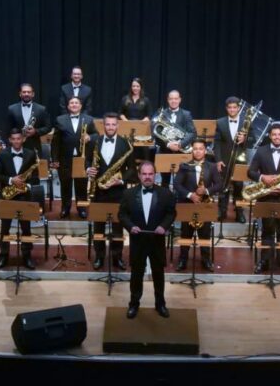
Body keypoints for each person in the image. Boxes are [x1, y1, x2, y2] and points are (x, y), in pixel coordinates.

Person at [119, 160, 177, 319]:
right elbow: (122, 215)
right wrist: (130, 226)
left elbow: (171, 213)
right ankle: (133, 304)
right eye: (144, 174)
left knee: (158, 274)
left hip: (156, 240)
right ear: (139, 175)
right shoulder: (128, 194)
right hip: (138, 241)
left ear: (155, 175)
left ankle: (160, 304)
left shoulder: (165, 193)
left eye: (150, 174)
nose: (147, 177)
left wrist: (164, 226)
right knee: (136, 274)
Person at [247, 124, 280, 274]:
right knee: (267, 231)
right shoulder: (261, 151)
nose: (277, 137)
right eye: (274, 134)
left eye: (279, 134)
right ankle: (264, 261)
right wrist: (262, 177)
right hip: (266, 197)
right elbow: (250, 172)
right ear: (270, 136)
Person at [85, 112, 135, 271]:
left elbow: (131, 169)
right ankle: (99, 256)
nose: (111, 127)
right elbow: (87, 160)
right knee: (98, 227)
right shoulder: (95, 141)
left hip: (118, 191)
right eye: (108, 124)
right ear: (103, 125)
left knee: (118, 227)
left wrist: (121, 180)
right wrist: (88, 169)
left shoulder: (126, 143)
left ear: (118, 125)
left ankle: (117, 257)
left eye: (114, 124)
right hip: (98, 191)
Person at [0, 129, 40, 269]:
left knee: (26, 228)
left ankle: (27, 256)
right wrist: (11, 180)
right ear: (10, 140)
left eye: (19, 138)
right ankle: (3, 255)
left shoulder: (30, 154)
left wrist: (26, 185)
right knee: (5, 228)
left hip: (24, 196)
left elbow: (35, 177)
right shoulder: (2, 154)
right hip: (7, 195)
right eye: (14, 139)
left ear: (23, 139)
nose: (16, 141)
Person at [173, 139, 224, 271]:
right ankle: (183, 259)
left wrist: (206, 190)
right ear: (192, 150)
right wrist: (190, 195)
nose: (198, 151)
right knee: (186, 233)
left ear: (205, 151)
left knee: (205, 234)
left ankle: (206, 259)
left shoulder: (212, 166)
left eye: (201, 149)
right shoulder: (185, 166)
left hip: (205, 205)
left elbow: (219, 184)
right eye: (195, 149)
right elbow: (177, 184)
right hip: (188, 205)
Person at [51, 96, 96, 219]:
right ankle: (65, 208)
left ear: (81, 106)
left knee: (81, 185)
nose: (74, 105)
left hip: (82, 159)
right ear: (68, 106)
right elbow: (55, 142)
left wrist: (90, 137)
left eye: (76, 103)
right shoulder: (60, 119)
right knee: (65, 185)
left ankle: (82, 208)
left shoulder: (89, 119)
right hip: (64, 159)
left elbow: (96, 135)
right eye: (71, 103)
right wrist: (55, 159)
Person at [213, 97, 248, 223]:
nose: (232, 110)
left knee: (239, 187)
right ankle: (222, 211)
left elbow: (254, 139)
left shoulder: (246, 121)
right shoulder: (220, 122)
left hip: (240, 161)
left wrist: (245, 139)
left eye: (234, 107)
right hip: (224, 160)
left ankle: (239, 212)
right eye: (230, 108)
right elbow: (217, 143)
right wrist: (218, 160)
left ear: (239, 108)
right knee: (223, 187)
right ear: (226, 108)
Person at [154, 90, 195, 188]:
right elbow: (156, 135)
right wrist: (168, 144)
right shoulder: (162, 114)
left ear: (180, 100)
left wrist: (180, 144)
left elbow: (192, 133)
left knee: (183, 181)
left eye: (176, 99)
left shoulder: (186, 114)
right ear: (168, 100)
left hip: (181, 152)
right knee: (165, 182)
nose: (173, 101)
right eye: (171, 99)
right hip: (165, 151)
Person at [6, 83, 52, 157]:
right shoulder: (12, 109)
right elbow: (8, 129)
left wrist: (35, 131)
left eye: (29, 92)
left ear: (33, 94)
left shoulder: (41, 109)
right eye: (24, 92)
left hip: (34, 146)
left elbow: (48, 127)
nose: (26, 94)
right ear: (20, 94)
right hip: (16, 147)